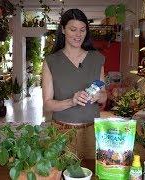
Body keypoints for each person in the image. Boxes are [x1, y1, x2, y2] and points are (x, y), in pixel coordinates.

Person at [42, 9, 107, 159]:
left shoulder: (96, 58)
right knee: (63, 173)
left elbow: (104, 97)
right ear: (63, 30)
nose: (78, 34)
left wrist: (99, 95)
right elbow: (47, 104)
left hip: (92, 131)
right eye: (73, 29)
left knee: (92, 173)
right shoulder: (51, 61)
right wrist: (72, 101)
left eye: (82, 30)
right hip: (61, 132)